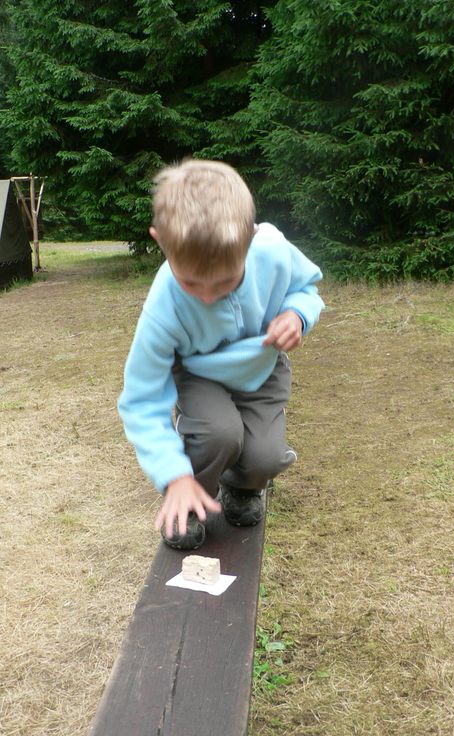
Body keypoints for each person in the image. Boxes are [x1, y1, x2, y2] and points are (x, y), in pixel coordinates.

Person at [118, 159, 324, 549]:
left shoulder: (272, 250)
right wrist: (174, 474)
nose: (208, 296)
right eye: (191, 282)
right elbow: (142, 400)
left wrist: (297, 315)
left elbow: (306, 288)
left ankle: (242, 487)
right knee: (219, 433)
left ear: (251, 238)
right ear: (161, 241)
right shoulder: (163, 307)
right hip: (200, 373)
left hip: (262, 365)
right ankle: (188, 502)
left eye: (226, 282)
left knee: (265, 457)